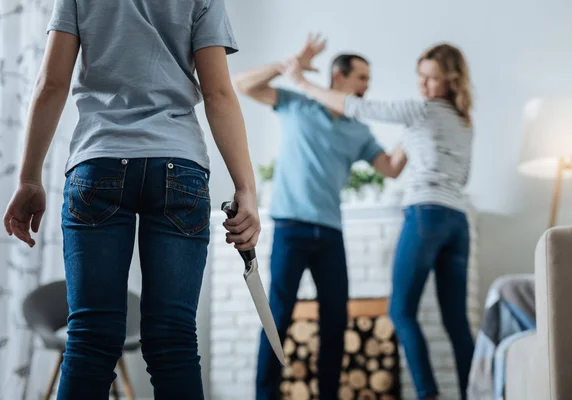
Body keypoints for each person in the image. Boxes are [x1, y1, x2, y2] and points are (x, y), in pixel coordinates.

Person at [2, 0, 259, 399]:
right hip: (180, 166)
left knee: (90, 338)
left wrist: (29, 177)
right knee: (173, 340)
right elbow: (219, 92)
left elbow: (51, 83)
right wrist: (246, 188)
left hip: (99, 162)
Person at [283, 42, 475, 400]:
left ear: (451, 80)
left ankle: (427, 393)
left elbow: (358, 106)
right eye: (421, 77)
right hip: (458, 222)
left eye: (432, 79)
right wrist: (414, 142)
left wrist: (302, 82)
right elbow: (434, 172)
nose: (423, 85)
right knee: (457, 322)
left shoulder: (420, 110)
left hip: (425, 214)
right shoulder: (464, 122)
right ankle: (474, 393)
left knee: (400, 310)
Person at [234, 34, 407, 400]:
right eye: (362, 78)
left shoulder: (359, 130)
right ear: (339, 78)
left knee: (335, 321)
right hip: (291, 228)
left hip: (330, 233)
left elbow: (390, 168)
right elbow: (241, 84)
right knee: (277, 316)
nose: (366, 86)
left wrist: (417, 126)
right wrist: (290, 62)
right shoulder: (298, 104)